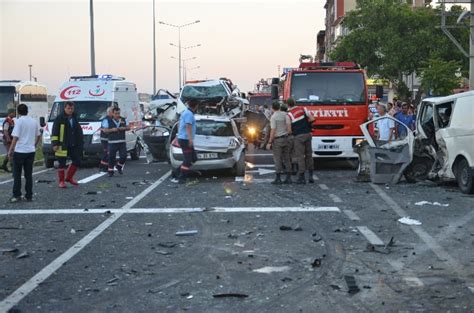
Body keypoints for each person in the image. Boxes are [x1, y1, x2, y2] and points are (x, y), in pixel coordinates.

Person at [7, 104, 41, 202]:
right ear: (27, 111)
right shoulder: (33, 122)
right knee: (28, 174)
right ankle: (29, 195)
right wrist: (34, 145)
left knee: (17, 174)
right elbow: (38, 135)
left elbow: (15, 137)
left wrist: (10, 150)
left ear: (18, 112)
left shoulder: (19, 121)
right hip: (30, 151)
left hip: (20, 151)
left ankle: (17, 195)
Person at [51, 101, 83, 188]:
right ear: (65, 108)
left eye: (72, 108)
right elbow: (55, 131)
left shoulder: (74, 117)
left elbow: (77, 131)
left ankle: (69, 178)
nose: (70, 110)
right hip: (62, 144)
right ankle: (61, 181)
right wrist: (55, 144)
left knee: (77, 160)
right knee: (62, 163)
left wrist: (80, 143)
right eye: (68, 108)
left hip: (73, 144)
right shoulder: (59, 118)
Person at [287, 98, 315, 184]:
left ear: (288, 105)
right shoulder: (303, 109)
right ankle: (311, 175)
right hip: (308, 134)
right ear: (295, 103)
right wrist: (306, 125)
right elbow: (312, 119)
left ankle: (302, 177)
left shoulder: (289, 115)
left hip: (298, 136)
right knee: (309, 155)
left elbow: (289, 130)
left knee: (300, 156)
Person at [171, 100, 198, 184]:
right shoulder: (189, 114)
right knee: (188, 159)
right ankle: (182, 177)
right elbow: (188, 127)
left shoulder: (185, 112)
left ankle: (176, 172)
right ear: (196, 106)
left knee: (193, 158)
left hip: (183, 138)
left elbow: (179, 124)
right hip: (185, 140)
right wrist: (190, 139)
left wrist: (180, 133)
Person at [267, 101, 292, 184]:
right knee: (287, 158)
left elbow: (273, 130)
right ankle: (288, 177)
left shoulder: (273, 117)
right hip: (286, 138)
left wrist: (270, 141)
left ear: (272, 108)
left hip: (278, 140)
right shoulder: (285, 115)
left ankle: (278, 178)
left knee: (277, 158)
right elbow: (289, 128)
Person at [101, 107, 130, 177]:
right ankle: (110, 171)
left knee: (124, 156)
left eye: (118, 113)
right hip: (112, 142)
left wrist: (125, 128)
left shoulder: (123, 119)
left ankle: (119, 166)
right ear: (112, 113)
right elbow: (104, 130)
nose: (117, 115)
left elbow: (129, 127)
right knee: (111, 157)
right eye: (116, 113)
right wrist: (112, 130)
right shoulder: (107, 120)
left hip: (122, 142)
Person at [99, 106, 114, 172]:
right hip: (105, 139)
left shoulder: (112, 119)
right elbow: (105, 130)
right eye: (113, 112)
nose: (114, 113)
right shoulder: (106, 119)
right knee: (107, 153)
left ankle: (104, 166)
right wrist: (113, 130)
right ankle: (103, 167)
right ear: (109, 112)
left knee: (108, 153)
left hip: (110, 139)